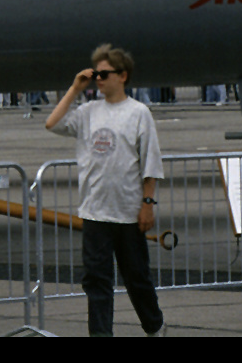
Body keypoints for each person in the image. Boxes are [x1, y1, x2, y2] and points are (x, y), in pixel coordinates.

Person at [45, 43, 165, 337]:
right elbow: (52, 123)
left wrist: (147, 202)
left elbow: (150, 163)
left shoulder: (139, 113)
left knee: (137, 278)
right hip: (95, 212)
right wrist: (74, 89)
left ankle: (154, 325)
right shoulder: (87, 111)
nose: (98, 79)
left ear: (122, 76)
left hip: (127, 211)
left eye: (104, 73)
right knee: (97, 281)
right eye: (95, 74)